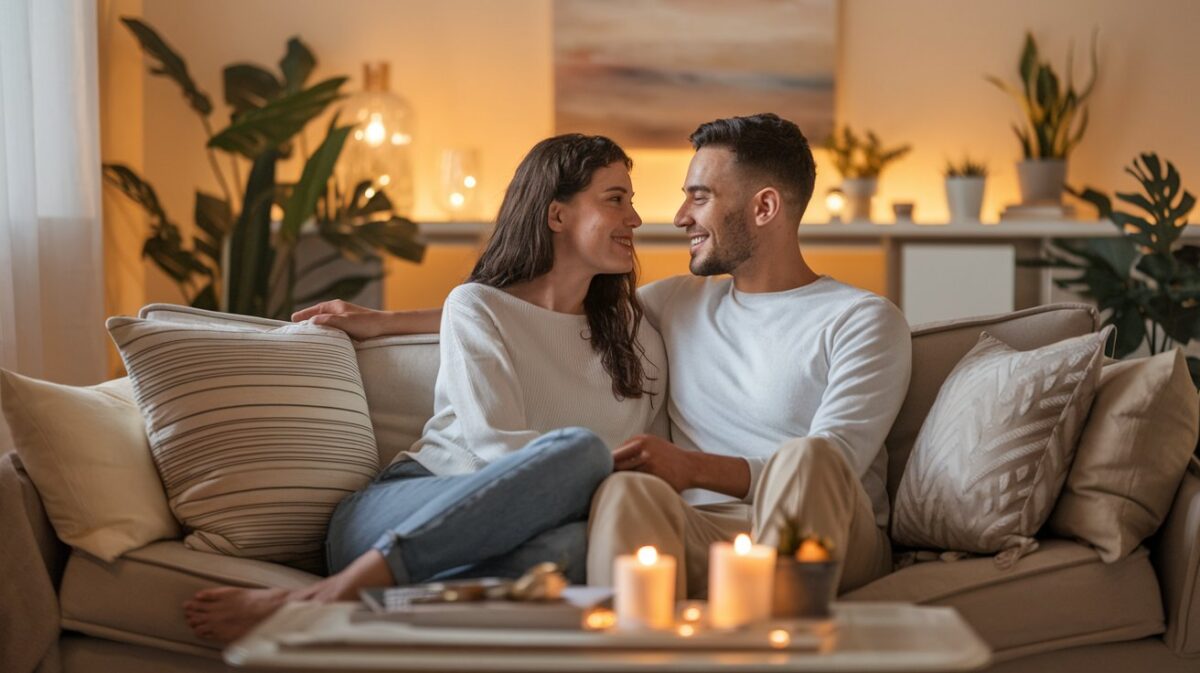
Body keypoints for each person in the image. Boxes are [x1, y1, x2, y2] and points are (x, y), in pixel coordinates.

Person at [183, 133, 667, 643]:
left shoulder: (639, 339)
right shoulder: (477, 306)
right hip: (402, 509)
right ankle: (326, 594)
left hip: (521, 533)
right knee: (583, 451)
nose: (634, 218)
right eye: (616, 199)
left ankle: (367, 609)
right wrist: (595, 470)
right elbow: (494, 444)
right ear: (557, 215)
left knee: (573, 548)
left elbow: (656, 459)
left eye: (631, 202)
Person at [587, 113, 911, 598]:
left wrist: (693, 468)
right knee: (626, 491)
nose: (680, 217)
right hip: (708, 534)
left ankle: (779, 642)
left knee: (809, 459)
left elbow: (836, 467)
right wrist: (468, 309)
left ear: (764, 207)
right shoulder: (676, 303)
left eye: (700, 197)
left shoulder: (862, 319)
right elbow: (550, 313)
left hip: (831, 536)